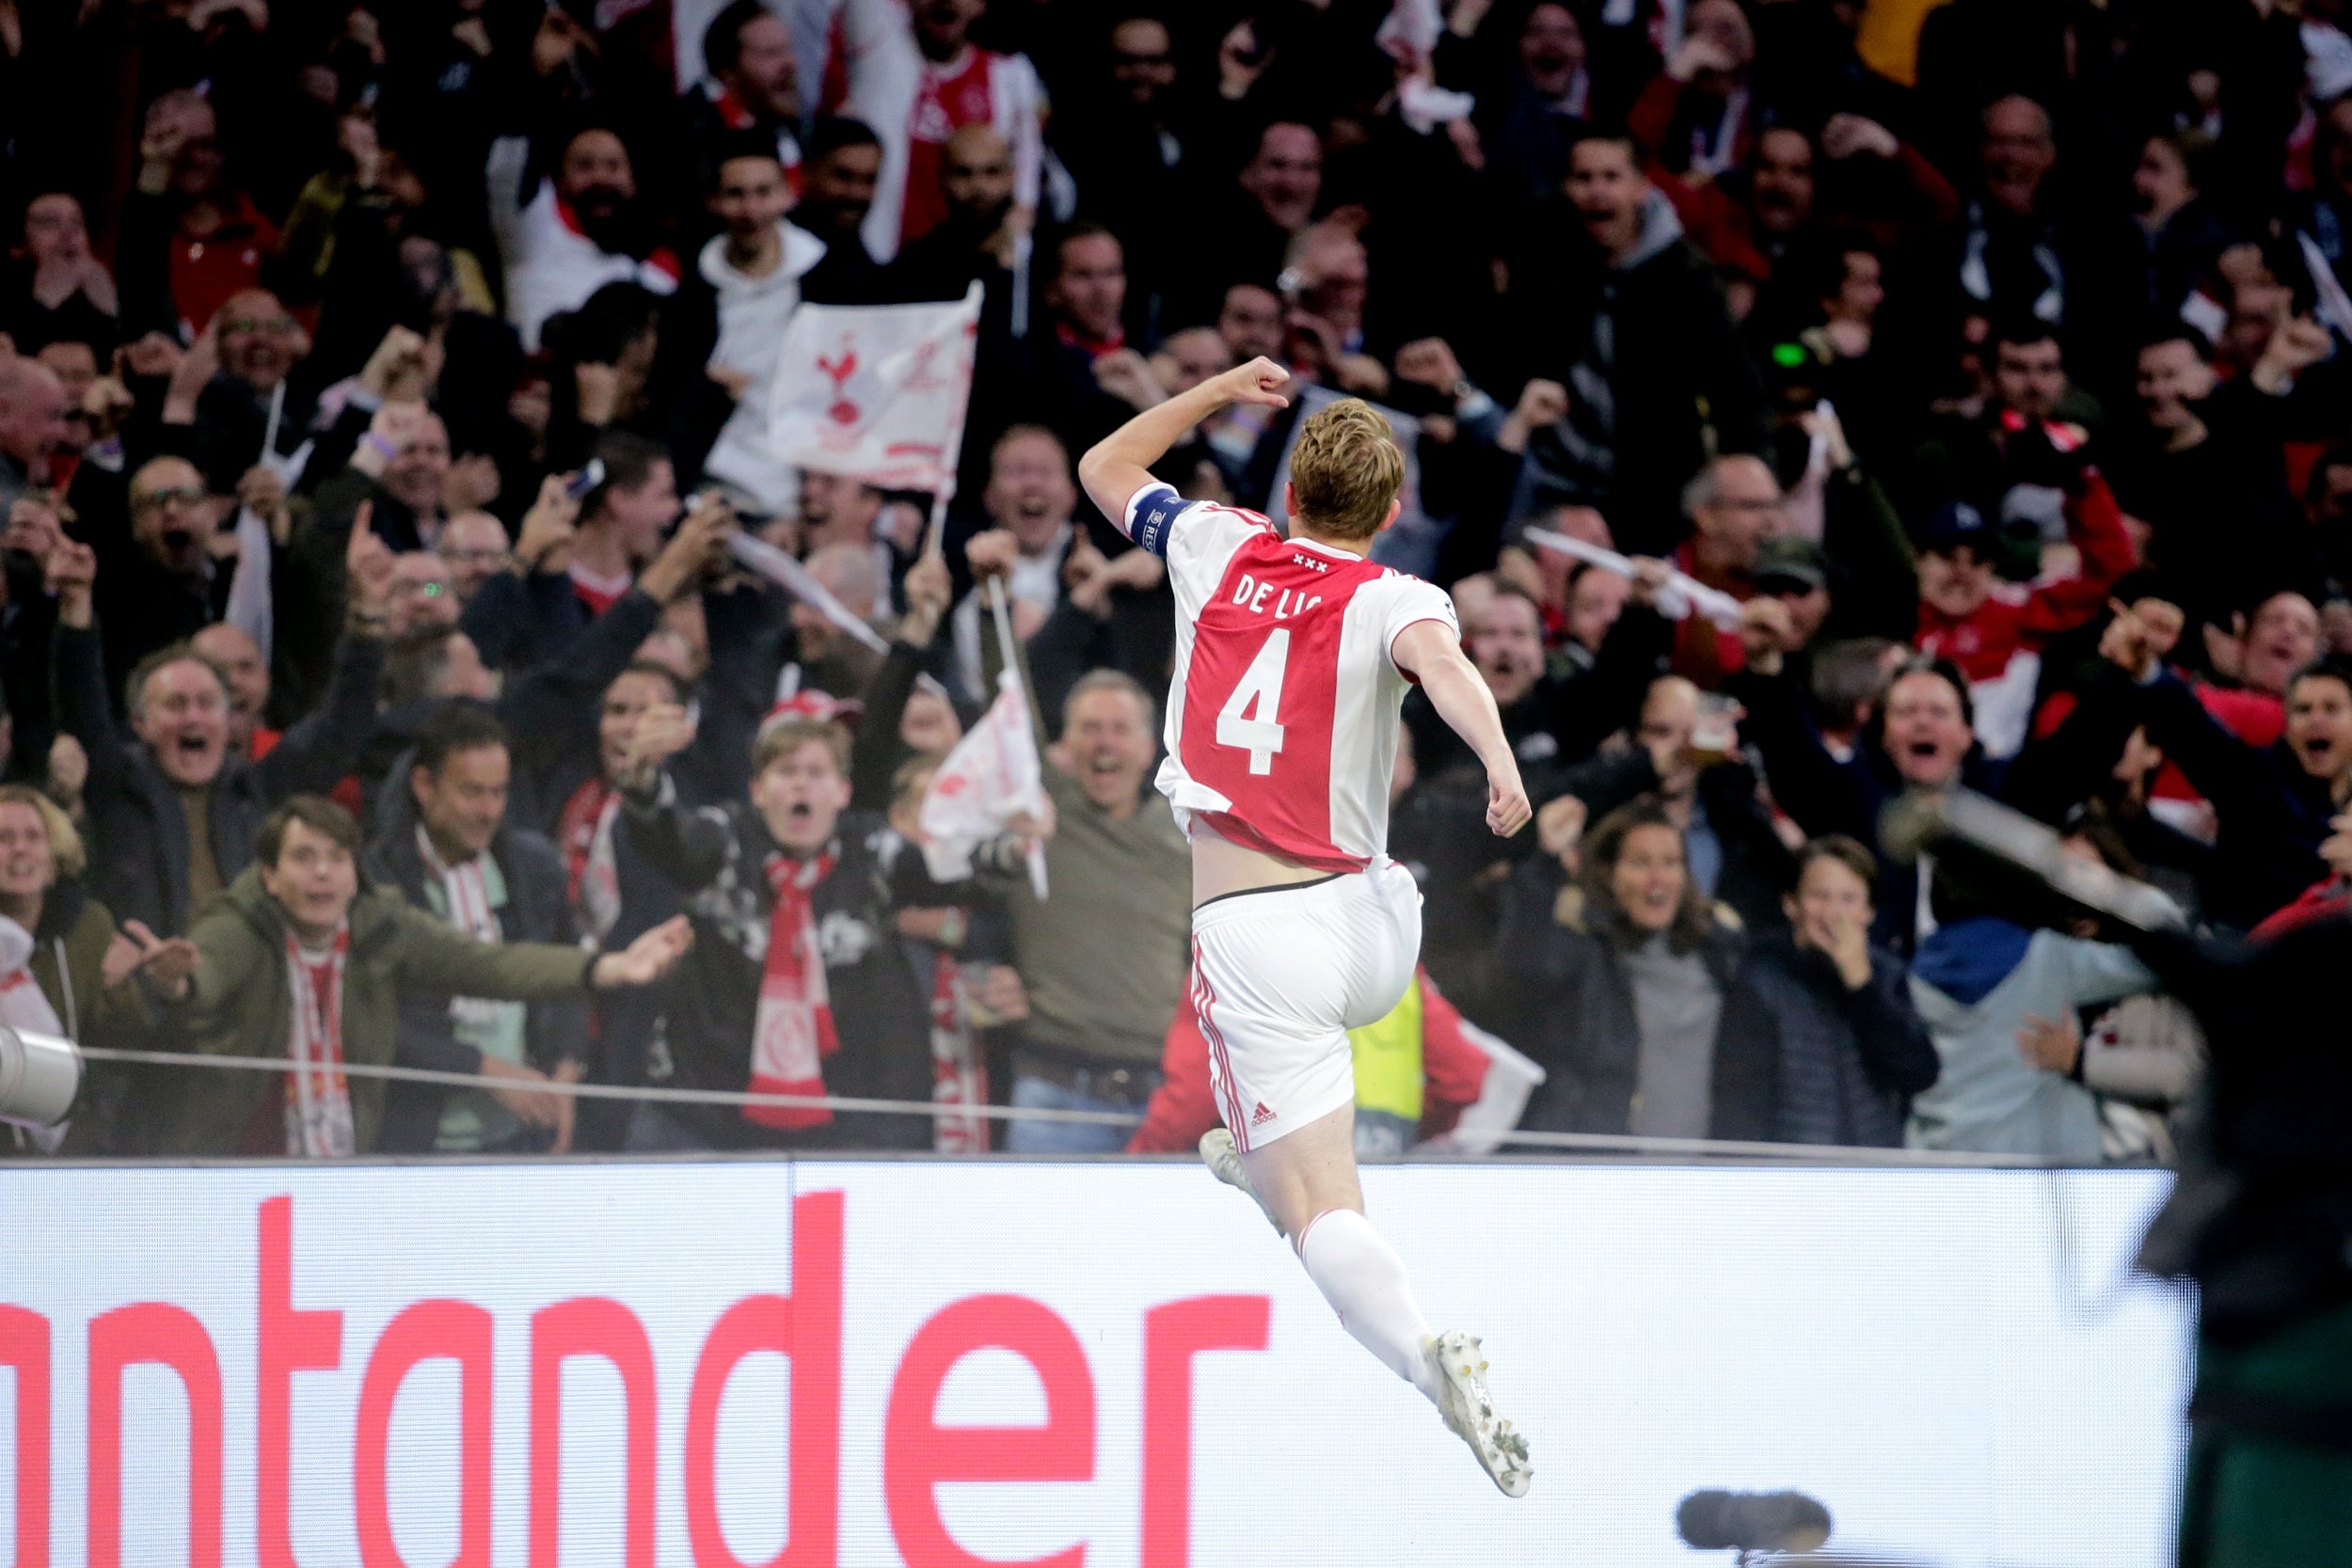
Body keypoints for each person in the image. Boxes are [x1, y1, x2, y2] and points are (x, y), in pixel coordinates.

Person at [1077, 356, 1534, 1496]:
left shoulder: (1214, 542)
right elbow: (1446, 668)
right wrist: (1500, 759)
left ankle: (1428, 1362)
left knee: (1316, 1208)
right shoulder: (1396, 595)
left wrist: (1220, 389)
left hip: (1257, 929)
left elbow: (1104, 465)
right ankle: (1254, 1144)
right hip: (1377, 927)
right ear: (1388, 514)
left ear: (1287, 497)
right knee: (1270, 1135)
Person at [148, 796, 692, 1157]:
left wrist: (610, 967)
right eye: (303, 858)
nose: (321, 873)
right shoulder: (241, 925)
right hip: (222, 1168)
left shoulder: (378, 926)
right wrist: (178, 982)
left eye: (337, 858)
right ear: (269, 876)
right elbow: (208, 969)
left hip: (336, 1172)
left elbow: (490, 967)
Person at [365, 705, 591, 1154]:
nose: (489, 811)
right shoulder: (374, 879)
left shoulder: (533, 868)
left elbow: (567, 976)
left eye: (499, 793)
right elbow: (371, 1019)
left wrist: (564, 1080)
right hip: (415, 1141)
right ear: (424, 786)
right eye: (472, 792)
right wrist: (481, 1068)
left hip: (519, 1139)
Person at [0, 784, 186, 1155]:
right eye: (3, 838)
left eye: (34, 836)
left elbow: (122, 1049)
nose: (19, 849)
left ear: (55, 857)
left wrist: (122, 989)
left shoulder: (89, 927)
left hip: (75, 1150)